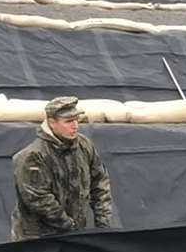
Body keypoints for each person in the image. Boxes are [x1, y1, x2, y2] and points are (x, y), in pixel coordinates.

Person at [10, 96, 112, 240]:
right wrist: (70, 227)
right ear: (52, 123)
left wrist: (103, 225)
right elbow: (39, 199)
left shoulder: (84, 146)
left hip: (73, 236)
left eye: (76, 119)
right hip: (37, 240)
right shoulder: (32, 156)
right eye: (69, 121)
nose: (75, 125)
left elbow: (100, 183)